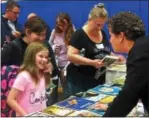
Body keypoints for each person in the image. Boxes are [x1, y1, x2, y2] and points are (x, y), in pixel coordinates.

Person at [95, 11, 148, 117]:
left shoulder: (139, 55)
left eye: (111, 35)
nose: (110, 40)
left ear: (121, 36)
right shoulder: (143, 46)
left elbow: (129, 95)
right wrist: (111, 106)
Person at [1, 16, 59, 105]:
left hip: (40, 97)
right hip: (18, 97)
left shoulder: (45, 45)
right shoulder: (13, 47)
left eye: (44, 35)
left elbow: (54, 70)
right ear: (28, 32)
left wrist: (50, 67)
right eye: (38, 34)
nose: (42, 38)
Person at [66, 3, 111, 97]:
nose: (100, 27)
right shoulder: (79, 35)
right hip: (80, 80)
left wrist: (115, 58)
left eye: (102, 25)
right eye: (97, 24)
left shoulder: (102, 32)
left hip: (97, 79)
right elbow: (70, 55)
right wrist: (92, 62)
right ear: (90, 20)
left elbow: (105, 51)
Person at [7, 42, 52, 116]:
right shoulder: (24, 76)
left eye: (46, 57)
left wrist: (48, 73)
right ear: (31, 57)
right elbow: (10, 99)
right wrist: (25, 115)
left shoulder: (42, 74)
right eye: (41, 56)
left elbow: (46, 92)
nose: (44, 60)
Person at [49, 12, 75, 98]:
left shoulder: (73, 31)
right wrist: (53, 47)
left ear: (68, 23)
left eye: (64, 25)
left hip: (68, 64)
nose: (62, 27)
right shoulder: (54, 31)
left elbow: (76, 49)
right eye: (60, 25)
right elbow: (49, 44)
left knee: (66, 90)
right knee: (53, 90)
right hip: (56, 63)